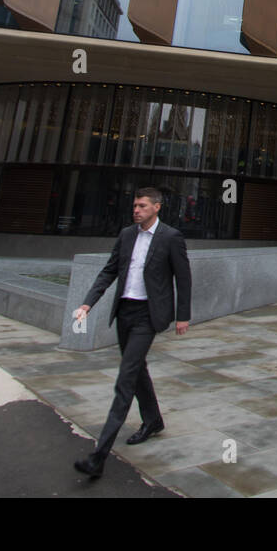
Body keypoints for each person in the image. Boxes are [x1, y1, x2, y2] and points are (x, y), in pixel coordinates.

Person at [71, 188, 192, 479]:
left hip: (148, 316)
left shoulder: (171, 237)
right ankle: (153, 421)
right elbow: (108, 271)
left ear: (157, 207)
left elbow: (183, 278)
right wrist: (87, 303)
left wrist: (182, 316)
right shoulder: (126, 235)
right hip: (124, 312)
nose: (136, 210)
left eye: (142, 205)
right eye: (134, 206)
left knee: (125, 379)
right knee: (136, 370)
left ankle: (98, 456)